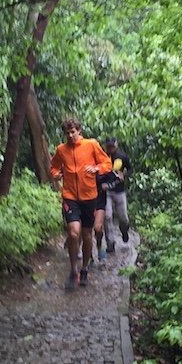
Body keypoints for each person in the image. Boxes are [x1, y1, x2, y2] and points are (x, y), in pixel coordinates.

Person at [50, 118, 112, 290]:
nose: (70, 136)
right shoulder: (61, 150)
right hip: (70, 196)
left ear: (79, 131)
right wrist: (56, 174)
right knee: (73, 233)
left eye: (73, 132)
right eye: (67, 133)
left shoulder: (91, 145)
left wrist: (97, 169)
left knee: (86, 235)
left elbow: (107, 163)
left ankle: (84, 268)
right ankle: (73, 269)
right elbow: (53, 167)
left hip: (89, 197)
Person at [102, 137, 131, 254]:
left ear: (116, 145)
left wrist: (124, 174)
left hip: (119, 191)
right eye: (108, 146)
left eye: (112, 146)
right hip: (106, 192)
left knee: (123, 218)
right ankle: (110, 243)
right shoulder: (102, 156)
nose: (110, 149)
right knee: (107, 217)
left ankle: (124, 231)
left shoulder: (122, 156)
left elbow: (130, 169)